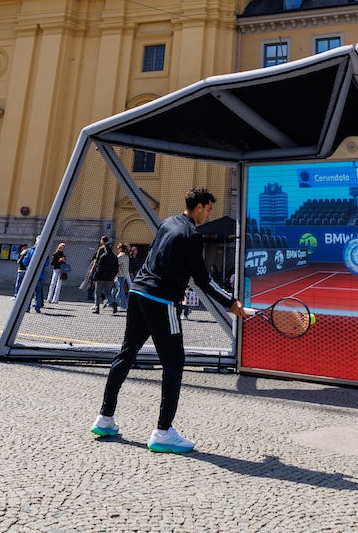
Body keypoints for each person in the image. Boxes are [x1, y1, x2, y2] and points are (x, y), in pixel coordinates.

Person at [92, 188, 249, 453]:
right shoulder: (192, 235)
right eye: (209, 209)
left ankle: (105, 418)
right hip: (161, 301)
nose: (209, 213)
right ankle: (163, 432)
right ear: (198, 207)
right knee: (174, 362)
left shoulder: (167, 222)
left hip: (139, 293)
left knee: (127, 353)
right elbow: (203, 279)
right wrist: (231, 303)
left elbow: (154, 258)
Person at [89, 236, 119, 314]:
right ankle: (113, 303)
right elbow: (116, 268)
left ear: (106, 249)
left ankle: (97, 308)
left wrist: (94, 277)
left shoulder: (103, 257)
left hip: (101, 278)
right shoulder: (115, 257)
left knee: (97, 292)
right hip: (109, 278)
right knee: (108, 292)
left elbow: (99, 268)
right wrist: (112, 276)